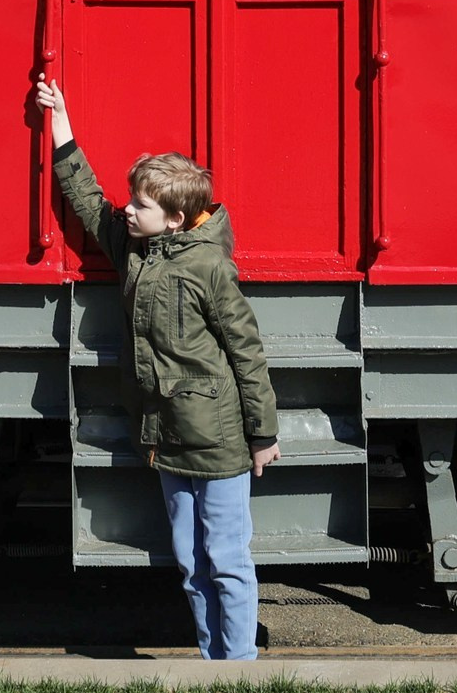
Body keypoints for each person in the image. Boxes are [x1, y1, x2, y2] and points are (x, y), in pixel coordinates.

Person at [33, 76, 279, 660]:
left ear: (173, 218)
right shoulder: (137, 250)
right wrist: (60, 120)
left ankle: (238, 668)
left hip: (217, 440)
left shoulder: (210, 269)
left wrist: (262, 434)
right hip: (166, 436)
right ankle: (210, 660)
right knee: (191, 560)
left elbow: (247, 352)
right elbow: (88, 199)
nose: (128, 209)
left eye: (141, 204)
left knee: (226, 557)